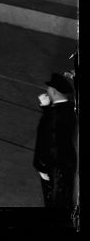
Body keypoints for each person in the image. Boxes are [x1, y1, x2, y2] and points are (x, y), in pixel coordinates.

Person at [34, 73, 77, 212]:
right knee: (65, 197)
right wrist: (47, 108)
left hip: (54, 167)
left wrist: (43, 166)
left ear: (53, 91)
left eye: (48, 89)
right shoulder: (71, 108)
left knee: (53, 200)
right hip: (68, 163)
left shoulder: (53, 115)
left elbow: (50, 140)